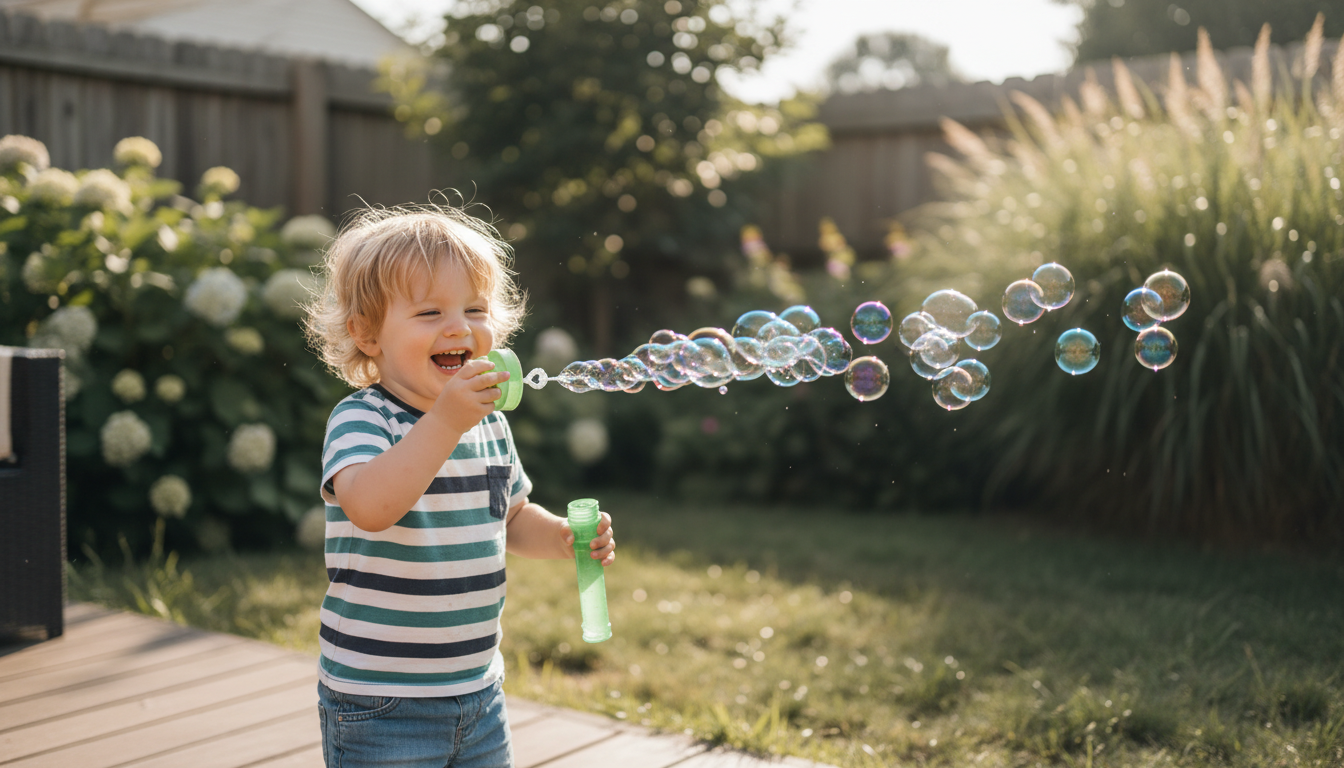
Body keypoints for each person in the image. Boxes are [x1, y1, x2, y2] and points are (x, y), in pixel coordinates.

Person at [303, 205, 615, 768]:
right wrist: (445, 421)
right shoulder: (363, 420)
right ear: (366, 334)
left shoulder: (489, 423)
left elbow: (512, 516)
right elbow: (371, 507)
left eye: (475, 308)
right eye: (429, 311)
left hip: (477, 690)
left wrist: (563, 537)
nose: (458, 327)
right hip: (380, 700)